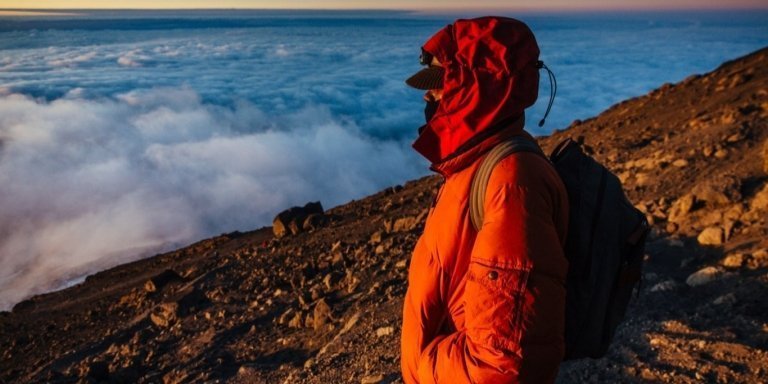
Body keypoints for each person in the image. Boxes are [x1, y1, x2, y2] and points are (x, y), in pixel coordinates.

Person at [400, 16, 569, 384]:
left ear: (476, 88)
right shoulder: (472, 167)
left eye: (440, 85)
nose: (428, 96)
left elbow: (502, 365)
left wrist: (422, 365)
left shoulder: (511, 181)